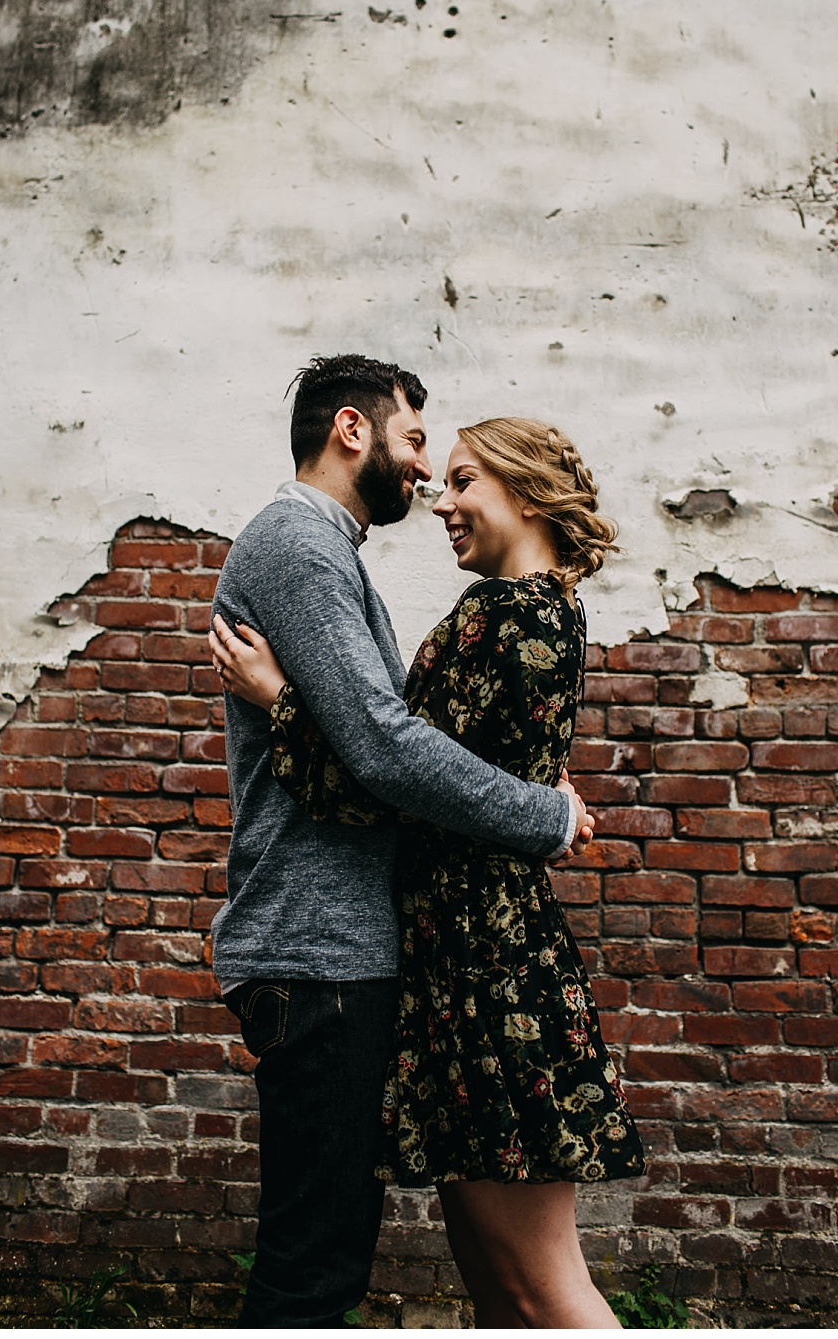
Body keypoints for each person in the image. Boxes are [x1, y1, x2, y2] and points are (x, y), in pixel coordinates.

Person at [213, 415, 647, 1327]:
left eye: (464, 481)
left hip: (487, 969)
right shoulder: (547, 610)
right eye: (439, 476)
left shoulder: (503, 614)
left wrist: (281, 701)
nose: (440, 499)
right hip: (467, 957)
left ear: (525, 493)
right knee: (499, 1288)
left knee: (538, 1287)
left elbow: (394, 776)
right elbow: (444, 769)